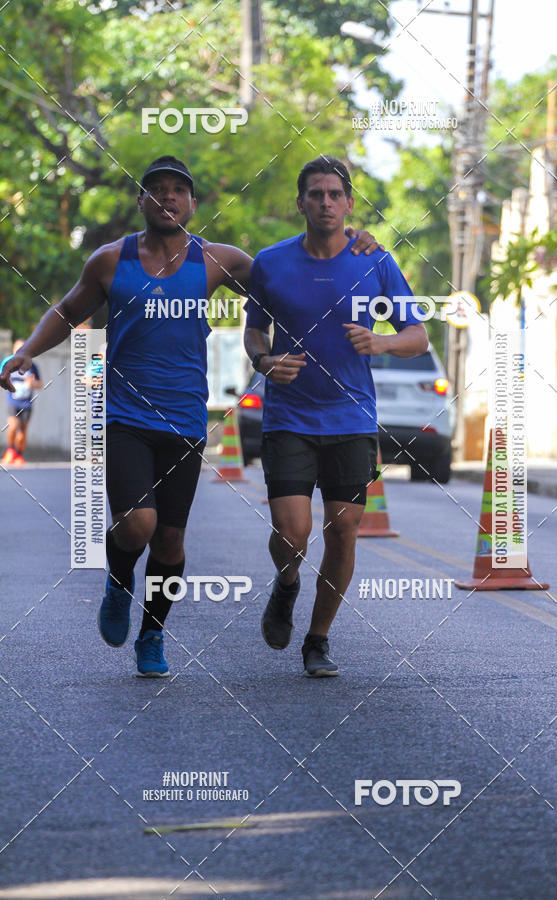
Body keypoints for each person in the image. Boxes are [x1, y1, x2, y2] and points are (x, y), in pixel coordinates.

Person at [0, 155, 382, 677]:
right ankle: (118, 580)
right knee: (137, 524)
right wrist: (26, 351)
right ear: (141, 200)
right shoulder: (111, 260)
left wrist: (352, 239)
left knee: (170, 540)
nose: (167, 197)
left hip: (184, 421)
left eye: (177, 190)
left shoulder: (216, 261)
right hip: (125, 416)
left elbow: (293, 272)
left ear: (193, 204)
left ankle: (152, 634)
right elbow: (68, 311)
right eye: (156, 188)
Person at [244, 155, 428, 677]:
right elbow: (254, 330)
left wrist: (382, 341)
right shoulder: (270, 262)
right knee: (292, 532)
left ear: (348, 203)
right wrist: (263, 360)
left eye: (334, 195)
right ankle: (286, 584)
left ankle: (318, 640)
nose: (325, 202)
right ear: (300, 203)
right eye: (316, 194)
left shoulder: (374, 260)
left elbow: (417, 336)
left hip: (351, 418)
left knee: (344, 529)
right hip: (288, 417)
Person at [1, 339, 43, 467]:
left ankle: (19, 454)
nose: (19, 351)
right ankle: (10, 450)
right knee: (13, 426)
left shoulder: (32, 365)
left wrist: (32, 384)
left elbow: (40, 383)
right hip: (13, 401)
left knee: (23, 431)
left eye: (22, 349)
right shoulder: (8, 363)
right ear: (13, 350)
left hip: (26, 403)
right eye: (17, 349)